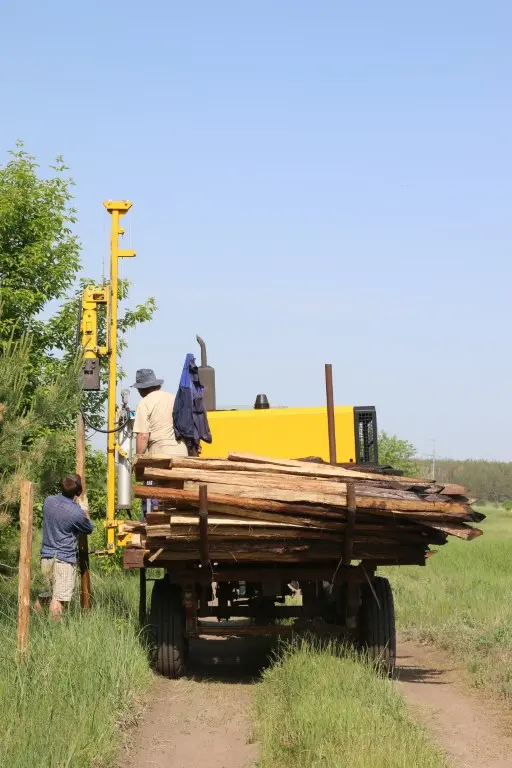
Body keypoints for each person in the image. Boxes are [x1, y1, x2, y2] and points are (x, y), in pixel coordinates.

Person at [35, 474, 94, 621]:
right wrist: (84, 510)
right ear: (78, 492)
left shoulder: (48, 501)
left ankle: (37, 624)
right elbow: (88, 528)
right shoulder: (76, 513)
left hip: (46, 558)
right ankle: (54, 632)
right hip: (64, 561)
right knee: (59, 599)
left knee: (45, 595)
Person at [132, 368, 188, 457]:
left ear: (141, 389)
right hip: (182, 452)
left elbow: (143, 436)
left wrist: (138, 461)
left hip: (160, 454)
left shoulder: (144, 403)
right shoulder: (175, 398)